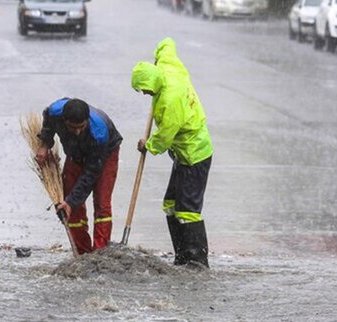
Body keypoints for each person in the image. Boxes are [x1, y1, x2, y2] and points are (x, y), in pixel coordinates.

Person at [130, 38, 214, 268]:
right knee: (170, 204)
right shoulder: (167, 66)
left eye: (145, 90)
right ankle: (181, 255)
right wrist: (158, 56)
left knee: (187, 210)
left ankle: (197, 260)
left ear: (153, 83)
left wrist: (148, 146)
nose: (145, 94)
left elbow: (166, 135)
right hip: (182, 154)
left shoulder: (170, 100)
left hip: (194, 153)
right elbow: (167, 44)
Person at [36, 98, 123, 255]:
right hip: (75, 154)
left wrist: (70, 201)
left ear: (87, 121)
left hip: (105, 153)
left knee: (102, 203)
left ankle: (99, 254)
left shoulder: (99, 134)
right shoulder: (54, 112)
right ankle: (81, 253)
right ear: (64, 120)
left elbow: (90, 175)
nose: (77, 132)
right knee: (70, 207)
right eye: (72, 127)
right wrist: (44, 144)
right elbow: (48, 124)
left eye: (81, 127)